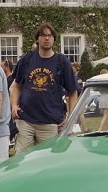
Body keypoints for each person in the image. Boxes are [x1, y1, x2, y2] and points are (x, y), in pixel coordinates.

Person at [10, 23, 79, 153]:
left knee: (46, 162)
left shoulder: (62, 62)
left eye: (50, 35)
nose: (47, 38)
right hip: (26, 120)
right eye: (43, 35)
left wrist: (70, 118)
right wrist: (14, 105)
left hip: (50, 122)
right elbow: (16, 85)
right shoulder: (27, 59)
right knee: (22, 160)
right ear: (37, 39)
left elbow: (73, 92)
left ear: (54, 39)